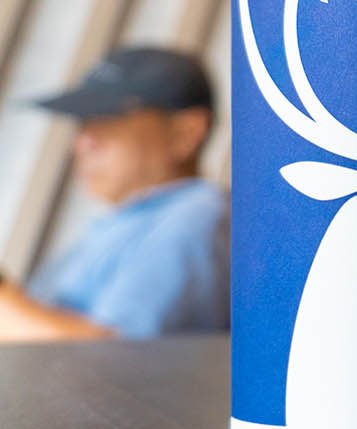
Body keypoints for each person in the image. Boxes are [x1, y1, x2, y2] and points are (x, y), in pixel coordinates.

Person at [0, 47, 229, 342]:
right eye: (83, 125)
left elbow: (114, 361)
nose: (83, 143)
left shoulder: (196, 217)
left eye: (107, 120)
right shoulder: (123, 225)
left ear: (187, 132)